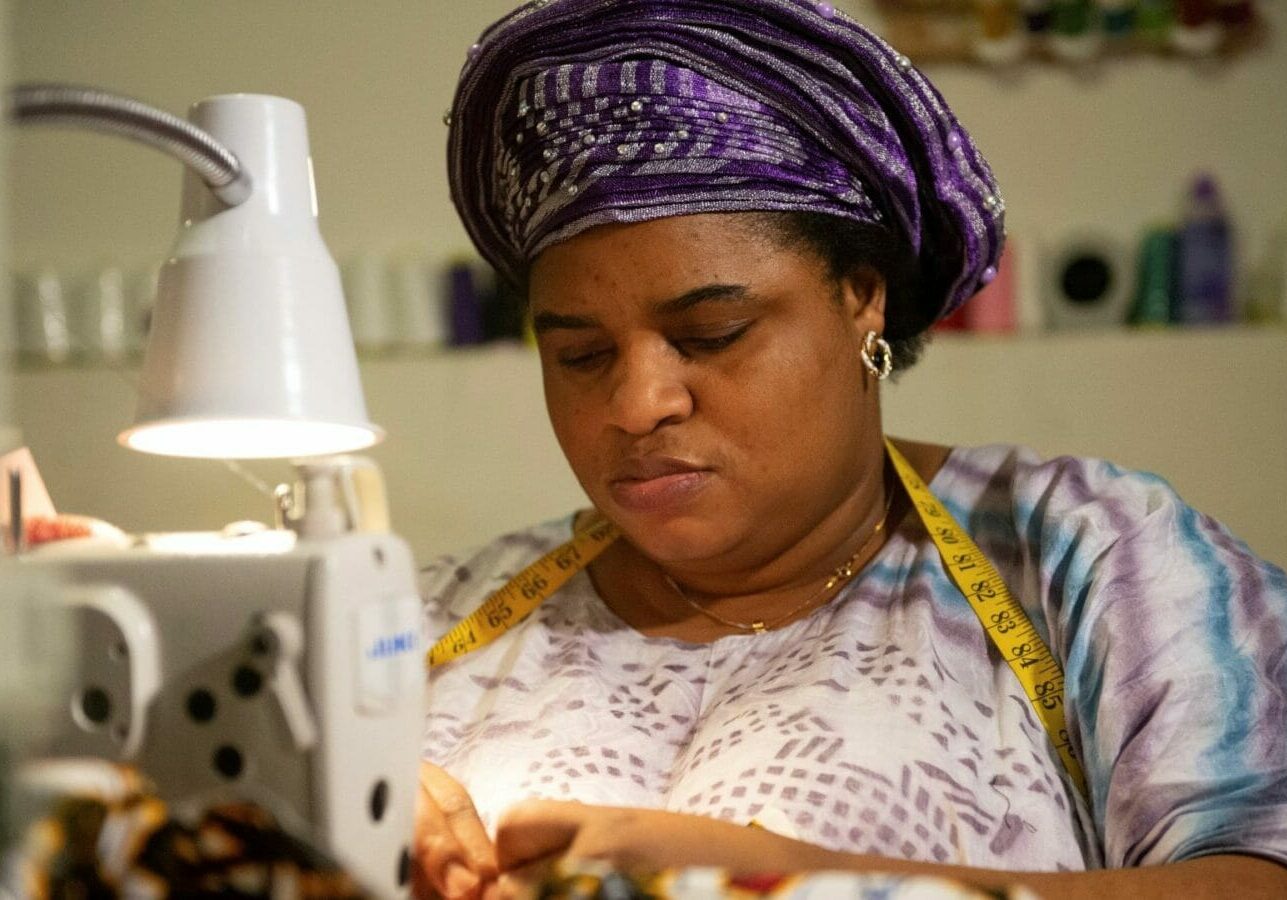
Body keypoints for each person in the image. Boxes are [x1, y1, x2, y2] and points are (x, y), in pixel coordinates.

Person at [416, 1, 1287, 897]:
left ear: (859, 298)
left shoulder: (1089, 555)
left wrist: (796, 877)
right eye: (579, 355)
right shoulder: (425, 624)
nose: (637, 405)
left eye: (713, 333)